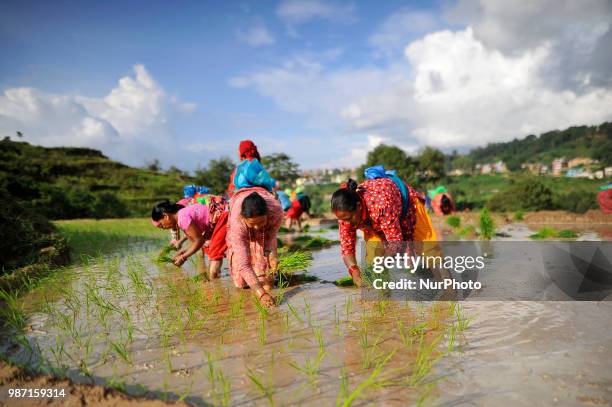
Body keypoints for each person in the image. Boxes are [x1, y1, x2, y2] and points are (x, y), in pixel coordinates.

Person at [330, 178, 437, 287]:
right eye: (343, 220)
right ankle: (382, 294)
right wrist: (354, 271)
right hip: (374, 219)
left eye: (349, 218)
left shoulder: (380, 204)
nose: (346, 223)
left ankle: (449, 289)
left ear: (359, 206)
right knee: (373, 257)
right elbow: (346, 248)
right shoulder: (345, 218)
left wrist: (382, 263)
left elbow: (395, 242)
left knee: (429, 249)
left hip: (407, 204)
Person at [226, 187, 283, 307]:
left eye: (261, 222)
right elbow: (244, 265)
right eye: (252, 223)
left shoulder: (275, 211)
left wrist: (272, 258)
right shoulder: (237, 222)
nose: (257, 227)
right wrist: (261, 294)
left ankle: (268, 286)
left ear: (267, 215)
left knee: (267, 274)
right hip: (238, 213)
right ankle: (259, 292)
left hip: (266, 209)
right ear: (243, 218)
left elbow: (270, 238)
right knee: (241, 282)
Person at [151, 200, 227, 279]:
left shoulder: (182, 219)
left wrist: (183, 257)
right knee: (212, 251)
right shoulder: (181, 216)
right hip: (219, 218)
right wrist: (185, 251)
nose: (164, 228)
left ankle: (214, 285)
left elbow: (199, 241)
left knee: (215, 253)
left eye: (162, 225)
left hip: (221, 217)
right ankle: (215, 279)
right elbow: (196, 240)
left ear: (166, 216)